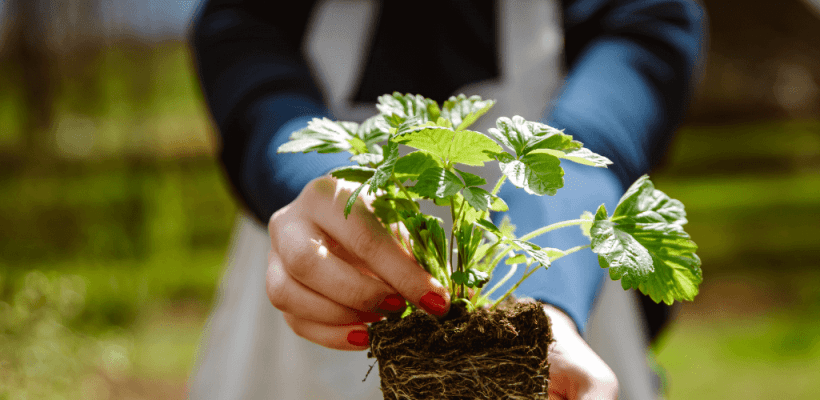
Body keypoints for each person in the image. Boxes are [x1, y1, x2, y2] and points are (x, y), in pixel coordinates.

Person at [188, 0, 705, 399]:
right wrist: (316, 187)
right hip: (313, 250)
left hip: (569, 241)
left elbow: (641, 38)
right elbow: (241, 36)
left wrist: (545, 300)